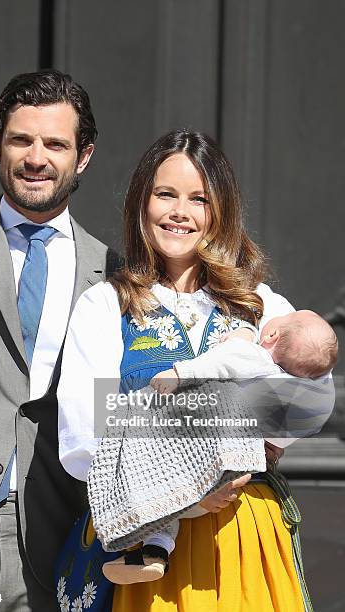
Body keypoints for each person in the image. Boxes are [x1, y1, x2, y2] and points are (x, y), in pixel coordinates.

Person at [58, 130, 334, 611]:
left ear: (221, 210)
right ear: (142, 202)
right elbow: (84, 432)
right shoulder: (105, 304)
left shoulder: (260, 303)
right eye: (165, 194)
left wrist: (146, 416)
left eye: (198, 199)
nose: (179, 212)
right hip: (144, 528)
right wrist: (209, 460)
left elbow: (309, 402)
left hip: (242, 535)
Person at [0, 69, 120, 611]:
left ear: (82, 156)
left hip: (58, 540)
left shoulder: (115, 274)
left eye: (55, 143)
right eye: (21, 139)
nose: (36, 157)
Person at [93, 310, 337, 584]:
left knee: (163, 505)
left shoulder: (252, 353)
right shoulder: (292, 382)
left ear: (271, 335)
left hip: (197, 475)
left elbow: (220, 362)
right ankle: (155, 552)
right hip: (221, 492)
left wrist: (179, 373)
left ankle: (155, 549)